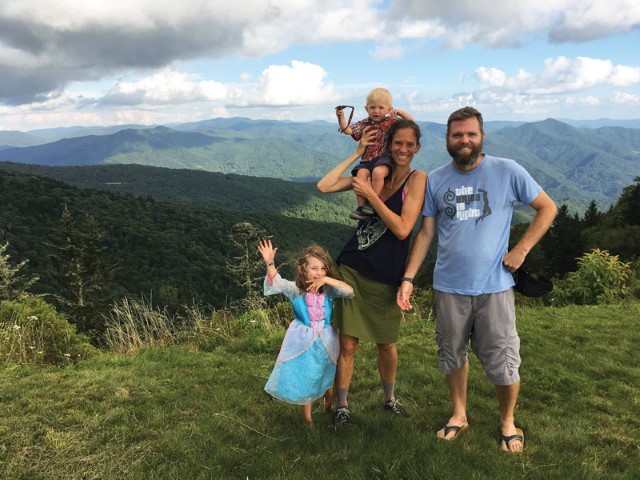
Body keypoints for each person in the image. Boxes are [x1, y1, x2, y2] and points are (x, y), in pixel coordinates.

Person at [397, 106, 557, 452]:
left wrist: (522, 250)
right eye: (457, 135)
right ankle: (459, 414)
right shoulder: (436, 179)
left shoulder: (507, 170)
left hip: (495, 288)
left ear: (482, 136)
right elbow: (425, 234)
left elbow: (548, 207)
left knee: (502, 358)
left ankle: (507, 422)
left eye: (470, 134)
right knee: (451, 355)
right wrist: (409, 277)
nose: (464, 140)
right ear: (448, 140)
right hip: (448, 287)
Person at [317, 119, 427, 425]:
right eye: (397, 143)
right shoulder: (373, 172)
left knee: (386, 342)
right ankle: (342, 406)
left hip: (389, 272)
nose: (403, 149)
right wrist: (357, 154)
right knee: (348, 342)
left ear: (417, 148)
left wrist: (370, 194)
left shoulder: (418, 179)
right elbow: (324, 186)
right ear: (388, 145)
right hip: (354, 265)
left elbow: (404, 229)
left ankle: (389, 399)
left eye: (409, 144)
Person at [259, 239, 354, 426]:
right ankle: (308, 420)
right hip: (304, 341)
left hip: (327, 340)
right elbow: (277, 283)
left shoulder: (329, 290)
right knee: (308, 375)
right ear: (303, 270)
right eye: (314, 268)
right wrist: (270, 263)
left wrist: (327, 280)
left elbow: (349, 291)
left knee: (328, 371)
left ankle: (328, 401)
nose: (319, 273)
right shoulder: (297, 290)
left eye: (323, 269)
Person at [336, 87, 415, 221]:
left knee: (378, 173)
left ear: (389, 109)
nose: (376, 111)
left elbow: (411, 123)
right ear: (367, 109)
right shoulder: (364, 123)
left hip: (385, 159)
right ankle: (361, 208)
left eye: (381, 107)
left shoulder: (392, 121)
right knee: (359, 176)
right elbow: (348, 131)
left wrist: (400, 112)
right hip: (367, 159)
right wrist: (341, 118)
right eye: (372, 107)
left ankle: (373, 203)